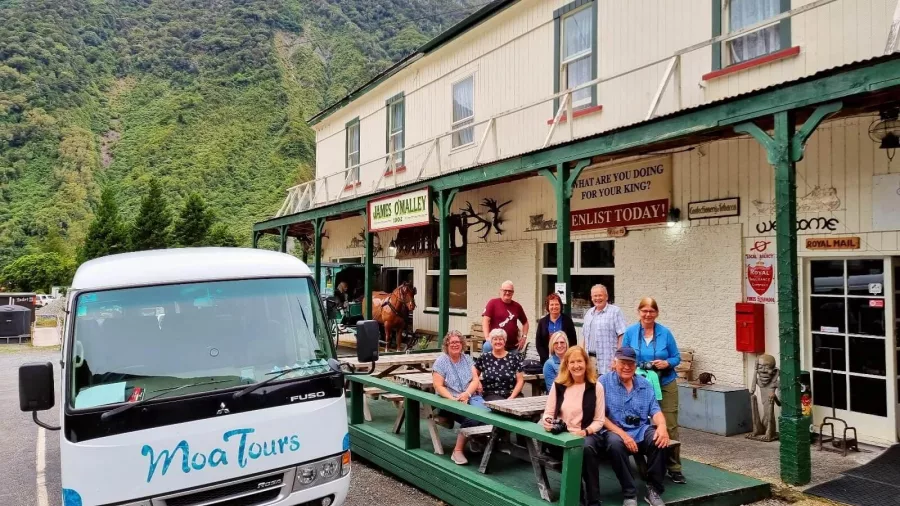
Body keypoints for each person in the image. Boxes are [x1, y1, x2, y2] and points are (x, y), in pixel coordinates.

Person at [622, 297, 685, 484]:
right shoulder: (630, 332)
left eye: (651, 311)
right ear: (639, 312)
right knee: (641, 424)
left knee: (669, 425)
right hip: (639, 384)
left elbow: (676, 357)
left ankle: (674, 467)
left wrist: (667, 363)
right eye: (644, 311)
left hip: (664, 382)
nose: (648, 315)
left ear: (656, 313)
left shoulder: (665, 333)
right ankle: (653, 465)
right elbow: (624, 355)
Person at [600, 347, 669, 506]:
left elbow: (655, 410)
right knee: (614, 444)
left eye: (630, 363)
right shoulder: (603, 382)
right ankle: (629, 493)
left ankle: (654, 489)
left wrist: (662, 426)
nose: (626, 367)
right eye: (623, 363)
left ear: (635, 365)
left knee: (659, 440)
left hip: (640, 430)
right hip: (615, 430)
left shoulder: (645, 384)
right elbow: (600, 417)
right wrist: (624, 435)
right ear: (615, 363)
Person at [540, 346, 606, 506]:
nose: (576, 366)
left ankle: (593, 500)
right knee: (572, 450)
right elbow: (548, 413)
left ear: (586, 363)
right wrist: (548, 422)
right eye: (572, 362)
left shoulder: (596, 387)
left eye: (579, 361)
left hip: (585, 434)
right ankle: (578, 497)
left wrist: (585, 431)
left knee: (586, 449)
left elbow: (599, 420)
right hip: (563, 436)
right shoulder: (558, 385)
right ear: (567, 365)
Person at [432, 330, 488, 465]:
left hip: (469, 396)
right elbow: (438, 386)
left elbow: (475, 379)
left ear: (462, 344)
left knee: (488, 414)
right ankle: (457, 451)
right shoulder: (441, 361)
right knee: (472, 418)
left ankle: (475, 439)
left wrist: (467, 394)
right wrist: (453, 399)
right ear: (446, 345)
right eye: (452, 342)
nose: (455, 344)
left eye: (458, 342)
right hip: (449, 400)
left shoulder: (467, 359)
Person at [582, 284, 627, 375]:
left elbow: (622, 336)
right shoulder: (589, 313)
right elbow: (584, 338)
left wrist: (617, 358)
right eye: (595, 296)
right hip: (589, 361)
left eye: (600, 295)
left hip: (608, 362)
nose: (597, 298)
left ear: (606, 297)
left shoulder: (615, 311)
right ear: (591, 298)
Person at [475, 328, 524, 401]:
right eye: (495, 339)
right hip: (491, 394)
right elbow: (474, 373)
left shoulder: (514, 358)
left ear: (505, 341)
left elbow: (520, 380)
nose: (498, 342)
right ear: (491, 342)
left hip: (512, 394)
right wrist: (478, 381)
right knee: (502, 405)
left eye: (501, 339)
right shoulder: (484, 357)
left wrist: (512, 397)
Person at [481, 280, 529, 354]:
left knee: (515, 361)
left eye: (510, 291)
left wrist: (524, 337)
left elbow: (525, 323)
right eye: (505, 290)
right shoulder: (493, 303)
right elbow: (485, 320)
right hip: (494, 344)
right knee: (487, 347)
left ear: (513, 292)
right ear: (500, 291)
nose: (507, 292)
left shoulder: (517, 306)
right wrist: (487, 337)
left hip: (512, 347)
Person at [535, 293, 577, 364]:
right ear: (548, 306)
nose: (554, 307)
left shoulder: (568, 321)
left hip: (565, 360)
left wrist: (567, 357)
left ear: (560, 305)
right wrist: (547, 359)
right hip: (547, 360)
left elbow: (573, 342)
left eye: (557, 304)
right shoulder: (542, 322)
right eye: (551, 304)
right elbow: (539, 343)